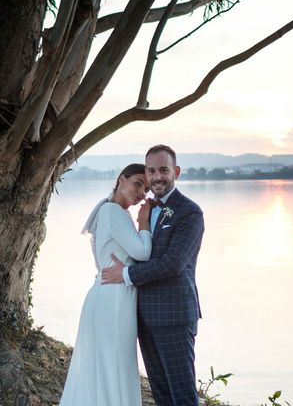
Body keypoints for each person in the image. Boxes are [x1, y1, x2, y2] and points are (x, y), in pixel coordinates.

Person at [102, 145, 205, 406]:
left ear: (176, 172)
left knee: (182, 396)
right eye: (151, 171)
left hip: (174, 316)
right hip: (144, 317)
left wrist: (125, 274)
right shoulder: (145, 210)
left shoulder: (189, 212)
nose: (157, 177)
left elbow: (173, 263)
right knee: (161, 394)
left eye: (163, 170)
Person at [59, 163, 152, 406]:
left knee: (108, 367)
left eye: (146, 188)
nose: (142, 192)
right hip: (113, 301)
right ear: (121, 179)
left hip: (108, 295)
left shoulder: (108, 210)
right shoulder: (114, 212)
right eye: (137, 184)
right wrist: (144, 223)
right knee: (113, 366)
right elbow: (142, 252)